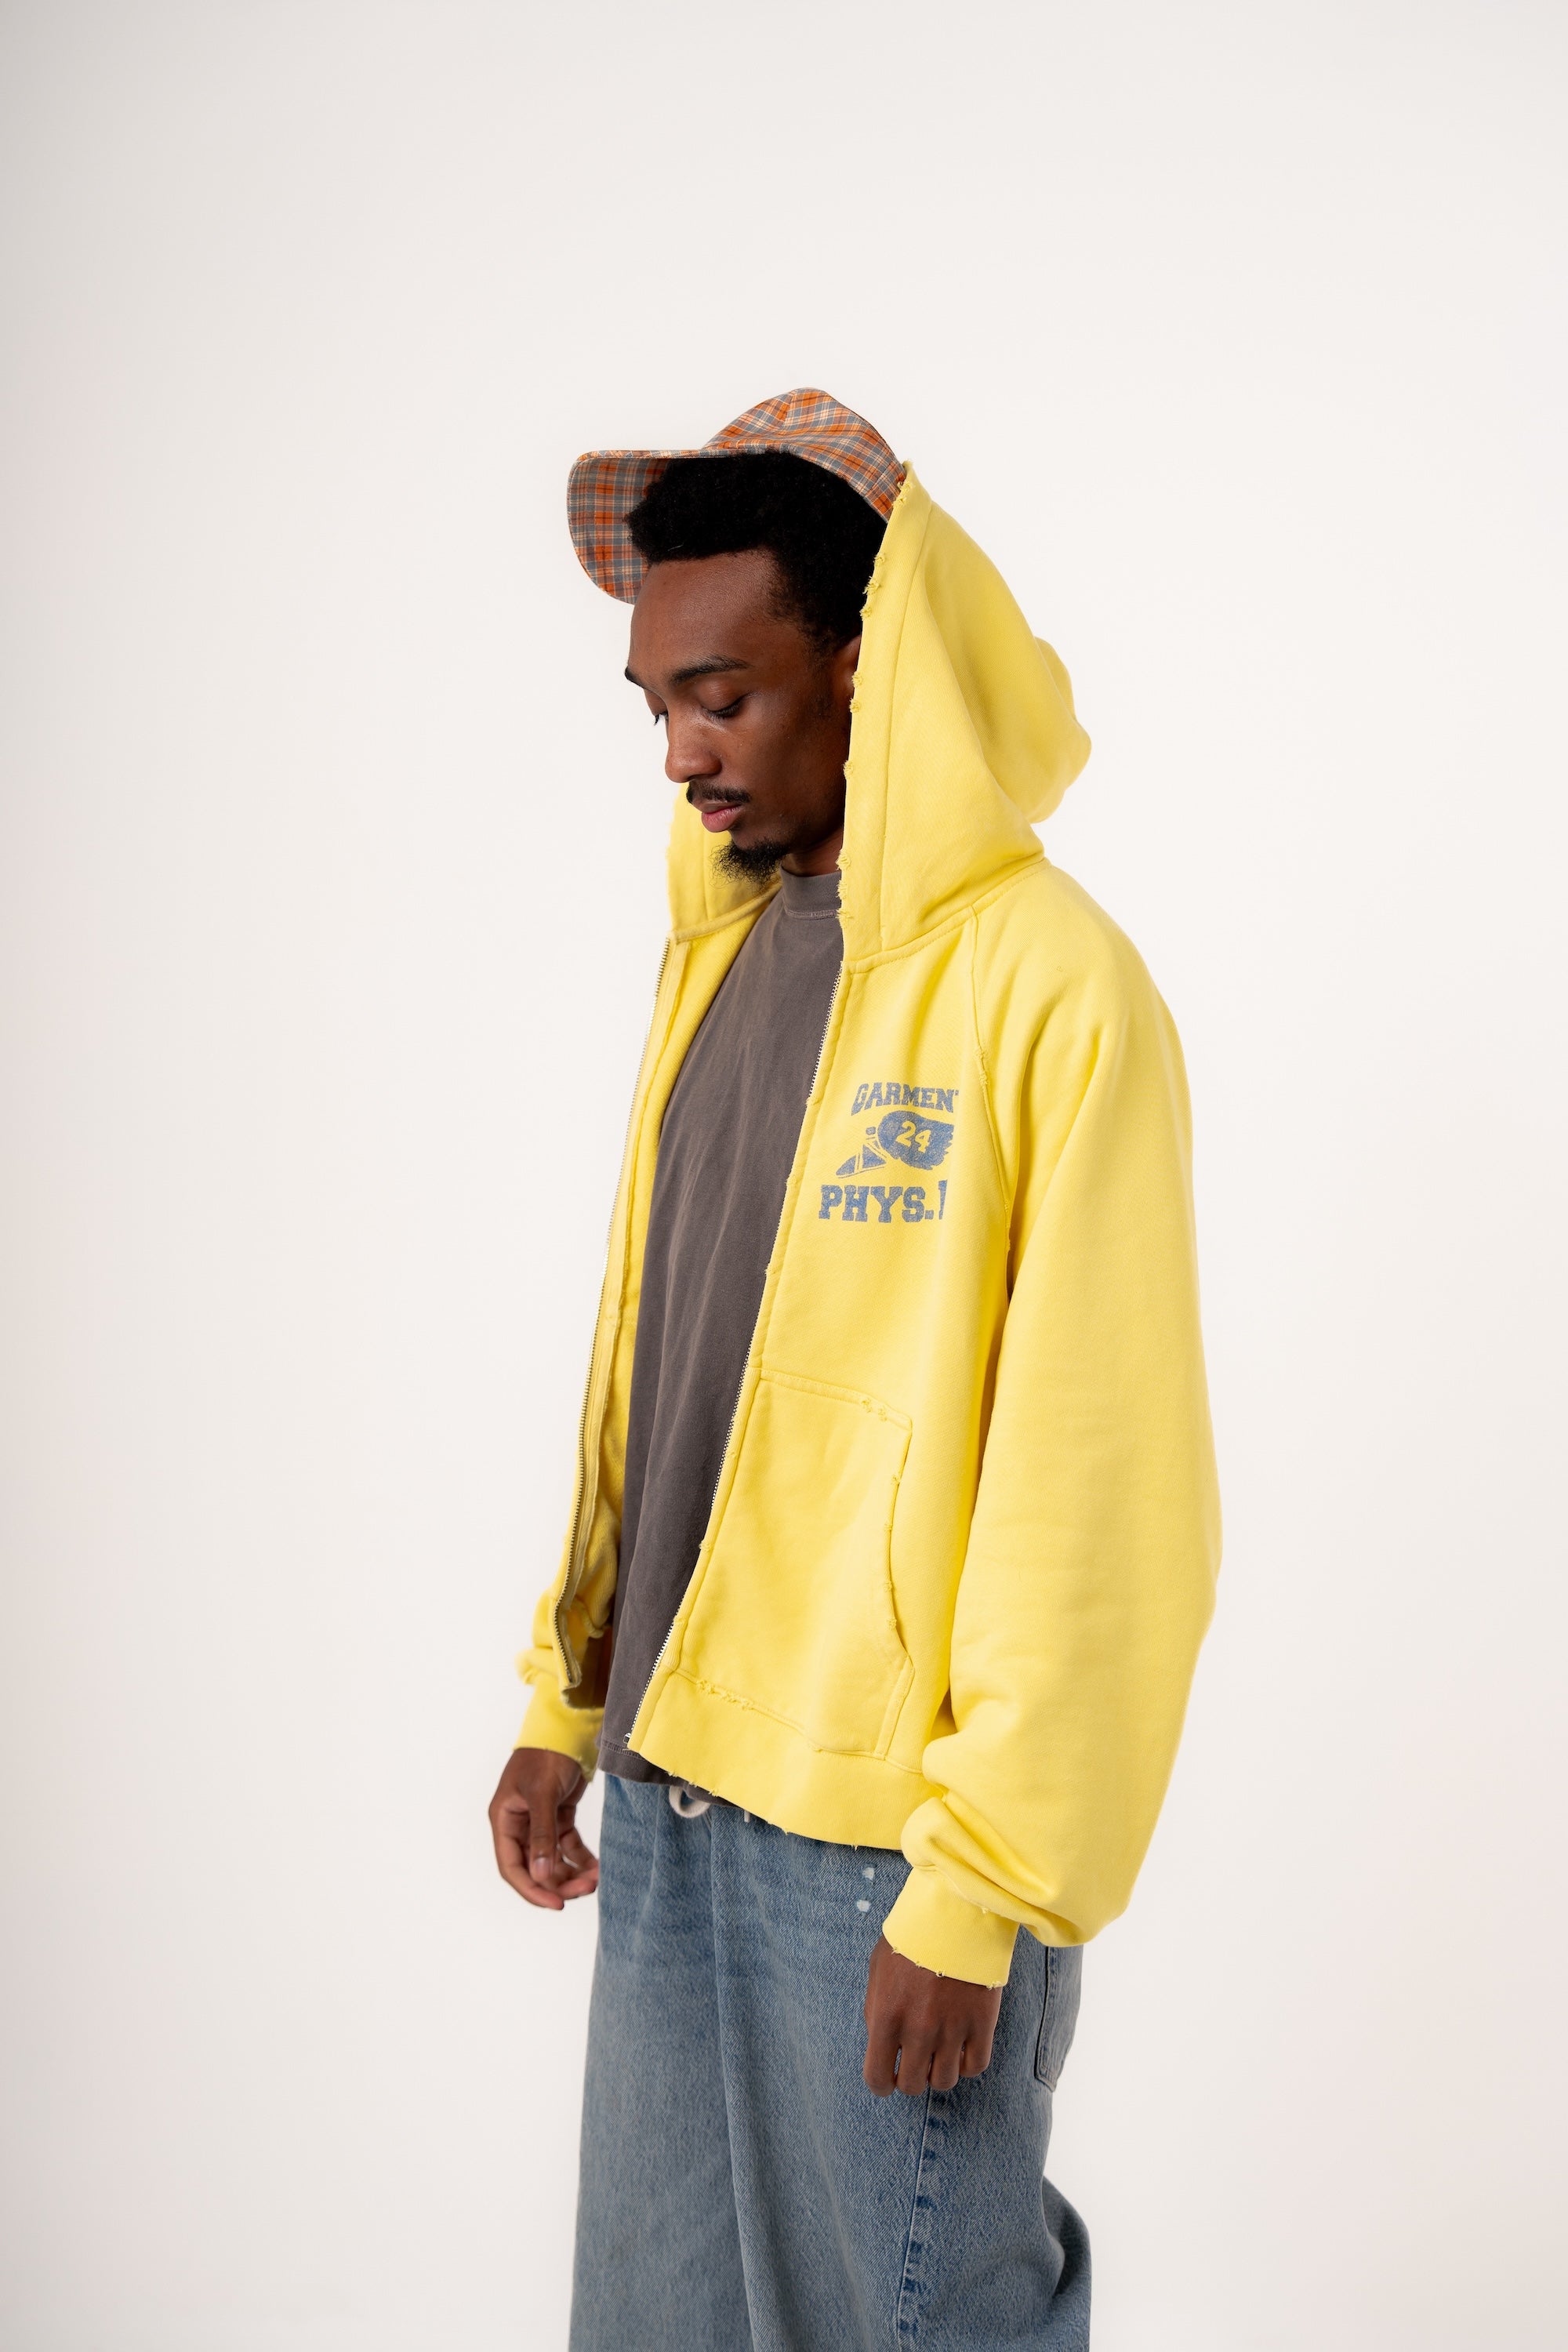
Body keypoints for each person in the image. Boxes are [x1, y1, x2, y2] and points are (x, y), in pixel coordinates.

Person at [488, 388, 1221, 2351]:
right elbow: (665, 1365)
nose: (679, 754)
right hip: (672, 1786)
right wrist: (570, 1693)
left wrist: (985, 1883)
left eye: (719, 696)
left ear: (866, 669)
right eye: (654, 707)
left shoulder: (1051, 986)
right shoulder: (720, 960)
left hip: (887, 1846)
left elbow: (1103, 1483)